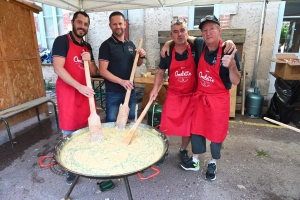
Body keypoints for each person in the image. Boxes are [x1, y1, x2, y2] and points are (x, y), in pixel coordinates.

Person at [151, 19, 236, 166]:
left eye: (182, 30)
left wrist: (229, 41)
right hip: (174, 94)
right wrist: (154, 89)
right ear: (171, 36)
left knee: (188, 127)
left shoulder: (196, 47)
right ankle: (163, 150)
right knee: (165, 125)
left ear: (188, 33)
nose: (180, 34)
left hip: (192, 95)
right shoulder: (167, 52)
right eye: (176, 32)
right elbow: (160, 72)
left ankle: (183, 150)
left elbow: (214, 43)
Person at [179, 15, 241, 181]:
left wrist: (233, 66)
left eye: (212, 28)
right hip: (201, 97)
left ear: (220, 30)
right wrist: (169, 43)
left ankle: (213, 162)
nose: (208, 33)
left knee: (216, 132)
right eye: (204, 30)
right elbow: (184, 37)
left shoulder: (229, 51)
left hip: (218, 100)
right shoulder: (200, 45)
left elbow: (236, 81)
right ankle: (195, 160)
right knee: (197, 129)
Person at [52, 11, 98, 185]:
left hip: (85, 93)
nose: (82, 27)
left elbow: (93, 72)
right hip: (69, 93)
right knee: (69, 132)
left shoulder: (87, 46)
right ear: (72, 22)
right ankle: (70, 168)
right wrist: (78, 86)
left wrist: (89, 61)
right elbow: (58, 68)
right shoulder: (61, 41)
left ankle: (84, 160)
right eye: (79, 22)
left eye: (86, 24)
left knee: (86, 129)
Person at [99, 11, 146, 123]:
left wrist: (141, 56)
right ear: (110, 26)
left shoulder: (131, 44)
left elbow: (137, 64)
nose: (118, 26)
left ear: (125, 24)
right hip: (113, 92)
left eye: (120, 23)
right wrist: (121, 81)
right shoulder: (106, 46)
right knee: (111, 121)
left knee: (130, 119)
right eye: (114, 24)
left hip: (130, 90)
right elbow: (102, 71)